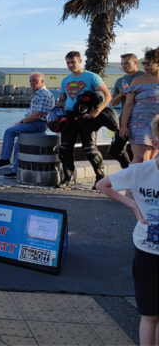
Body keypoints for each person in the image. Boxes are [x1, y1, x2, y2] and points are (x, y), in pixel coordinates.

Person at [96, 114, 159, 346]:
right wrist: (133, 205)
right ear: (155, 144)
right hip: (147, 252)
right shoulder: (140, 171)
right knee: (150, 314)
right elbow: (102, 185)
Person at [56, 51, 112, 189]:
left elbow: (107, 95)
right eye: (68, 62)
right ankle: (68, 178)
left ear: (80, 61)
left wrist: (97, 111)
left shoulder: (92, 77)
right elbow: (63, 100)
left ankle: (99, 179)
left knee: (90, 150)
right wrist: (55, 113)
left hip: (87, 117)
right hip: (69, 117)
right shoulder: (65, 80)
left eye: (73, 62)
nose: (70, 65)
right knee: (65, 148)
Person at [0, 72, 54, 177]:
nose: (32, 83)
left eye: (35, 81)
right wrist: (21, 122)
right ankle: (15, 171)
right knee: (18, 143)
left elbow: (37, 115)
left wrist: (21, 122)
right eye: (30, 81)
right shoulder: (37, 94)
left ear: (42, 81)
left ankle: (5, 159)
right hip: (35, 122)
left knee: (9, 131)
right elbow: (32, 113)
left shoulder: (45, 95)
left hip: (39, 124)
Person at [119, 47, 159, 164]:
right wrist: (123, 126)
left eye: (148, 64)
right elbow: (128, 104)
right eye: (144, 63)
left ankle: (144, 182)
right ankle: (128, 182)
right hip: (139, 122)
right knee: (141, 158)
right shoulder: (138, 81)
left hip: (157, 125)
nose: (145, 67)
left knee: (151, 161)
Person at [108, 54, 145, 168]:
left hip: (142, 117)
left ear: (135, 63)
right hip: (125, 117)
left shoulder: (145, 77)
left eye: (127, 63)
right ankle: (128, 170)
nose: (124, 66)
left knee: (137, 150)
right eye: (122, 63)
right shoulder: (120, 80)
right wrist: (121, 94)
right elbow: (113, 102)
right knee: (115, 149)